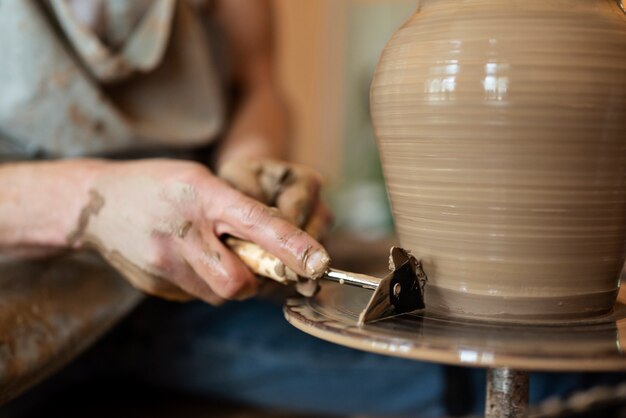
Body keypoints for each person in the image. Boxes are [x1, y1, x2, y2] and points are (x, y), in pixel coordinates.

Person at [1, 1, 623, 417]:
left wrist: (247, 167)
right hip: (17, 285)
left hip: (192, 269)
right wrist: (87, 202)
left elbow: (257, 82)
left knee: (559, 384)